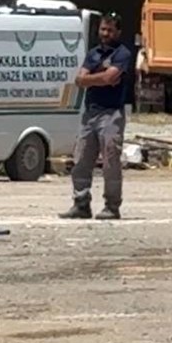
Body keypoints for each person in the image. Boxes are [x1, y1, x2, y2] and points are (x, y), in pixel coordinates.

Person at [61, 12, 133, 221]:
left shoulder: (122, 54)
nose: (105, 33)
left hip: (112, 114)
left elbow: (110, 77)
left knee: (110, 160)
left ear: (118, 32)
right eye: (103, 29)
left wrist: (93, 78)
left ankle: (112, 206)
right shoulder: (93, 53)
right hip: (90, 112)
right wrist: (99, 78)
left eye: (110, 30)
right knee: (82, 158)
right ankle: (81, 203)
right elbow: (79, 79)